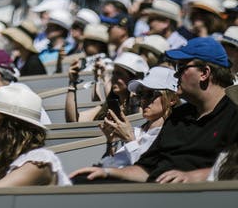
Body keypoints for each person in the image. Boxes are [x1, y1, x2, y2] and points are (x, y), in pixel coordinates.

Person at [71, 37, 238, 183]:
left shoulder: (234, 114)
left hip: (200, 196)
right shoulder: (178, 116)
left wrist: (195, 177)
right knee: (81, 181)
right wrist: (107, 172)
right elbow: (146, 170)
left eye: (181, 68)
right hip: (154, 192)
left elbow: (232, 169)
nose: (175, 75)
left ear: (204, 73)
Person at [74, 66, 178, 176]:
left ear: (172, 99)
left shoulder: (171, 135)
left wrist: (130, 139)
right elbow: (109, 164)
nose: (143, 100)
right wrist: (111, 142)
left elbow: (148, 174)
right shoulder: (137, 130)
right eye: (141, 94)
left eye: (150, 94)